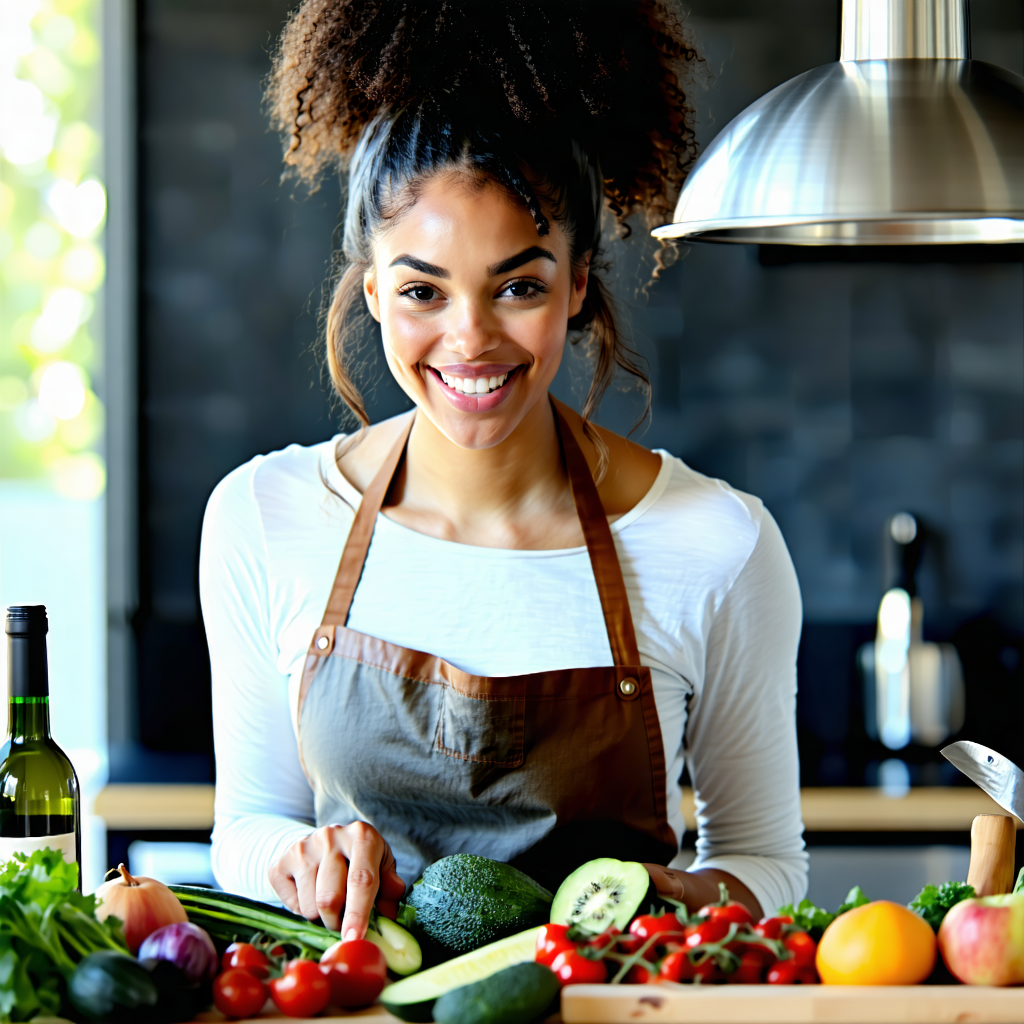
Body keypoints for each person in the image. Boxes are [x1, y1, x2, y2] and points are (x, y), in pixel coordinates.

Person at [200, 0, 807, 945]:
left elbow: (768, 863)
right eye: (422, 291)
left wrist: (662, 904)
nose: (470, 339)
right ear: (373, 293)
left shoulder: (717, 545)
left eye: (518, 285)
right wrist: (293, 858)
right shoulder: (264, 517)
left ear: (577, 284)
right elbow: (245, 826)